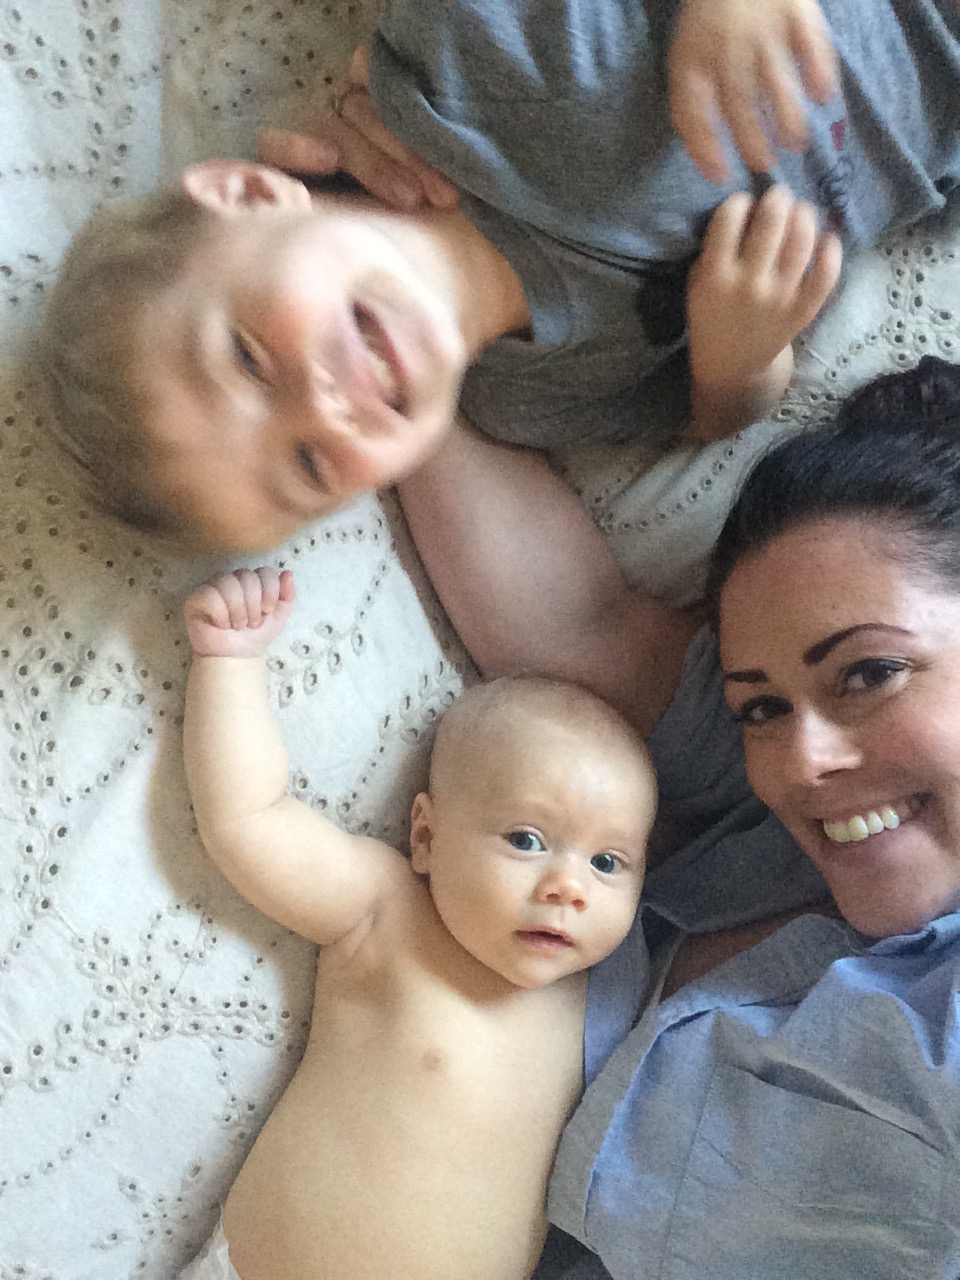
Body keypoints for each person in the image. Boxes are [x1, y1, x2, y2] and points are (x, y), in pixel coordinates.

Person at [40, 0, 960, 560]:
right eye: (310, 466)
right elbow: (709, 417)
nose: (324, 409)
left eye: (247, 359)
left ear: (246, 193)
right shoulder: (527, 401)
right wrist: (740, 356)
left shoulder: (458, 52)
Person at [452, 353, 960, 1279]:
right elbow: (581, 626)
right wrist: (387, 361)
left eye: (870, 673)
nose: (802, 761)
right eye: (760, 707)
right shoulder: (772, 834)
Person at [178, 564, 657, 1280]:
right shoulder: (389, 908)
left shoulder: (605, 996)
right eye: (526, 840)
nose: (569, 888)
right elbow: (249, 820)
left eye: (608, 863)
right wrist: (230, 663)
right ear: (427, 837)